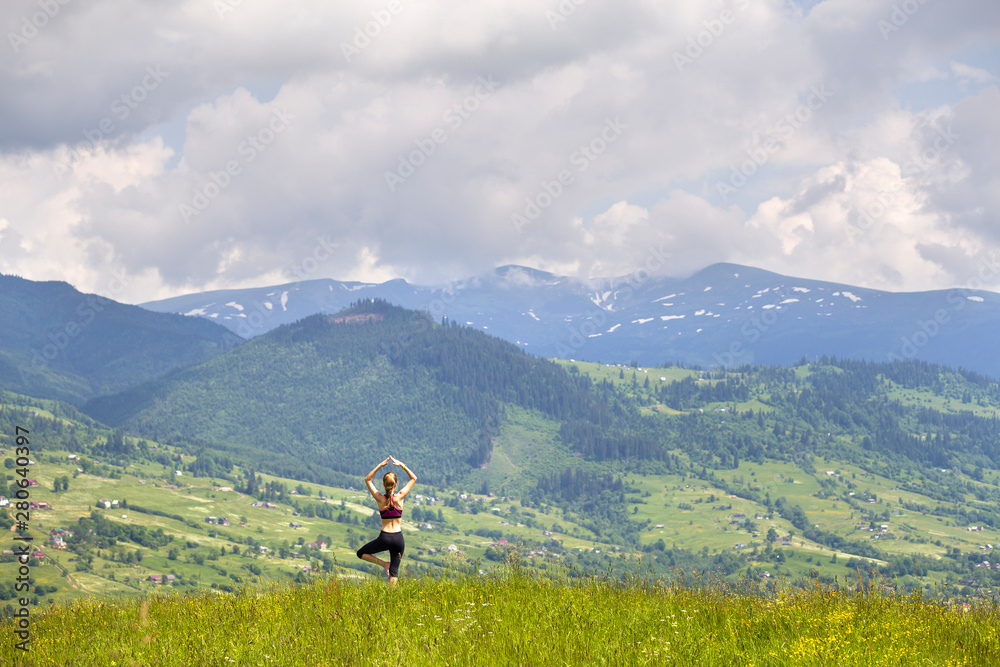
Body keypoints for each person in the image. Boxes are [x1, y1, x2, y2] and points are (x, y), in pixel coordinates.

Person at [356, 455, 416, 586]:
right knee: (394, 572)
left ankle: (384, 564)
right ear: (395, 484)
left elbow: (367, 479)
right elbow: (413, 478)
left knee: (361, 553)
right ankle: (392, 599)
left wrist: (379, 465)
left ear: (383, 484)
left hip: (385, 537)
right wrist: (402, 465)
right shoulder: (400, 497)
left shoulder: (380, 499)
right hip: (398, 538)